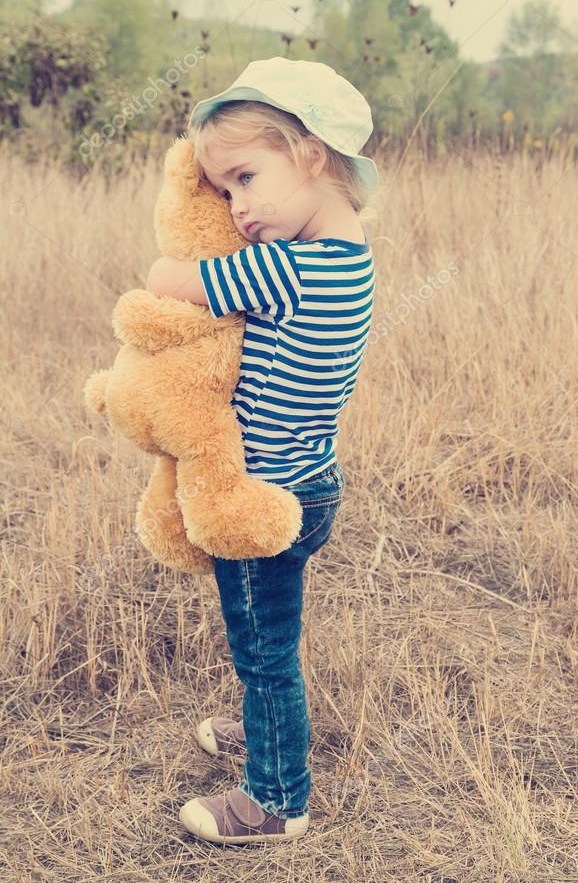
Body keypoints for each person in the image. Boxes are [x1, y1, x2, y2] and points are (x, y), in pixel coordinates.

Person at [145, 57, 379, 845]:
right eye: (224, 191)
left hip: (261, 493)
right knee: (274, 632)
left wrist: (175, 256)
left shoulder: (288, 267)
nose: (237, 206)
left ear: (310, 152)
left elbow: (170, 280)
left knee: (263, 650)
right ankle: (269, 729)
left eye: (245, 177)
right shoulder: (351, 259)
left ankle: (277, 800)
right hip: (312, 481)